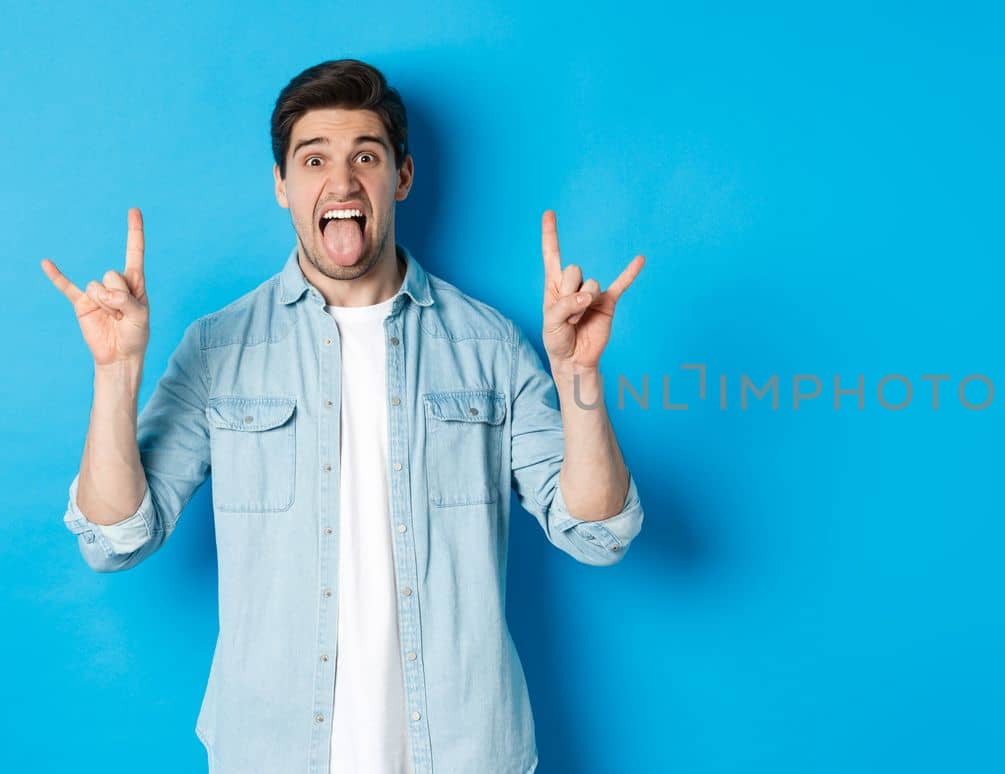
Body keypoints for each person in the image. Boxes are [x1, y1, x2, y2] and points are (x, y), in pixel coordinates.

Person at [40, 58, 646, 773]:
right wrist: (116, 374)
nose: (342, 180)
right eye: (313, 158)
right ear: (282, 186)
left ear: (402, 177)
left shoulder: (490, 348)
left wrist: (579, 378)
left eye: (366, 155)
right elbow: (113, 539)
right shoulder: (218, 349)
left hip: (462, 753)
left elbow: (599, 533)